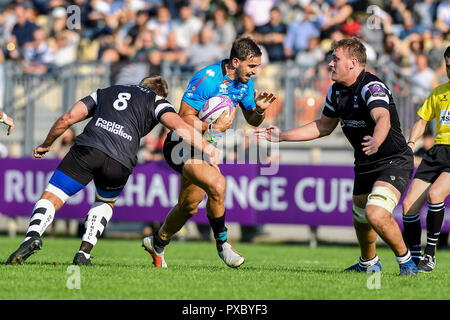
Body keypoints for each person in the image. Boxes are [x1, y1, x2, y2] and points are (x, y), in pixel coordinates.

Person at [6, 76, 219, 266]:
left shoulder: (106, 92)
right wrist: (207, 147)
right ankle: (84, 253)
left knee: (54, 194)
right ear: (161, 95)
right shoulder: (158, 102)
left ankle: (32, 236)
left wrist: (46, 144)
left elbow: (68, 117)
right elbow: (179, 126)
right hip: (121, 160)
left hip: (88, 148)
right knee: (105, 202)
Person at [256, 38, 418, 276]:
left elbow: (383, 117)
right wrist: (282, 136)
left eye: (335, 59)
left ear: (353, 63)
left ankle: (407, 263)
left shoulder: (370, 86)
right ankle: (369, 263)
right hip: (365, 163)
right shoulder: (335, 90)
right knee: (361, 215)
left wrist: (376, 140)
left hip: (393, 160)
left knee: (376, 213)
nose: (330, 63)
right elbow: (323, 126)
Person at [142, 37, 276, 269]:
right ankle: (223, 244)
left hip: (205, 146)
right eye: (252, 66)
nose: (255, 71)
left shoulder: (245, 83)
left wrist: (260, 112)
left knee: (188, 206)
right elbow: (182, 119)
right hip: (181, 144)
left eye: (257, 66)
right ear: (236, 61)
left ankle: (157, 242)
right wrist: (211, 128)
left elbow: (252, 119)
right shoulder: (207, 78)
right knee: (217, 185)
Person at [402, 46, 450, 273]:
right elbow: (422, 121)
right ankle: (414, 257)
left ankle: (430, 256)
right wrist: (411, 143)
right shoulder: (439, 92)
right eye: (448, 66)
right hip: (437, 151)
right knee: (408, 207)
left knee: (435, 194)